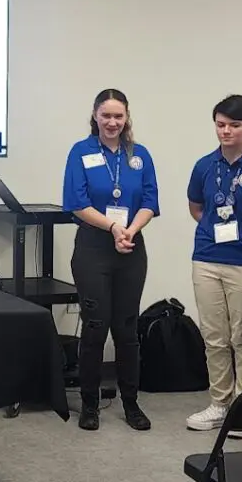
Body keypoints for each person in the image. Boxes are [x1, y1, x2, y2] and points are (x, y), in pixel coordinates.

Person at [63, 88, 159, 432]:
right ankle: (90, 404)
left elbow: (150, 201)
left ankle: (131, 402)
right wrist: (114, 227)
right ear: (95, 115)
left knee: (126, 328)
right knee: (95, 325)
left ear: (127, 117)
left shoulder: (140, 155)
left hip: (131, 246)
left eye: (119, 116)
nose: (112, 122)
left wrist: (129, 230)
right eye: (106, 115)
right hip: (94, 247)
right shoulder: (81, 151)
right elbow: (77, 202)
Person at [185, 95, 242, 433]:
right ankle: (219, 404)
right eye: (221, 125)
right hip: (207, 258)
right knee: (214, 337)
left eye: (234, 125)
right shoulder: (204, 165)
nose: (226, 131)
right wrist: (214, 228)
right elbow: (196, 207)